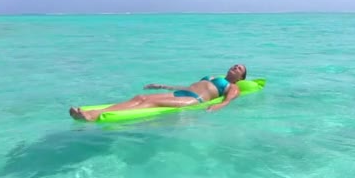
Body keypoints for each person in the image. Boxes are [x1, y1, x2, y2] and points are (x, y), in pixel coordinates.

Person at [69, 64, 248, 121]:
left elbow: (228, 100)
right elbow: (187, 87)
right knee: (141, 97)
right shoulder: (212, 75)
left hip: (194, 100)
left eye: (239, 68)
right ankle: (94, 112)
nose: (235, 67)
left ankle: (91, 116)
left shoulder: (234, 86)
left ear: (240, 77)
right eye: (235, 65)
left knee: (150, 103)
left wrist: (218, 107)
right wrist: (163, 86)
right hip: (182, 94)